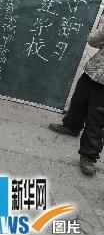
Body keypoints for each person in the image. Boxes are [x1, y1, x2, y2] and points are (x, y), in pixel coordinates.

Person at [48, 14, 104, 175]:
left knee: (97, 120)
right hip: (91, 72)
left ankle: (89, 156)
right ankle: (71, 126)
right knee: (78, 103)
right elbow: (92, 41)